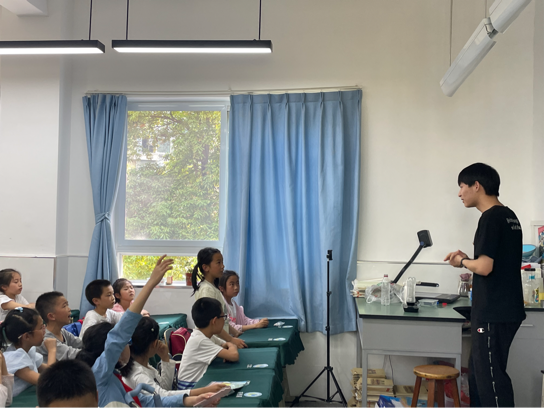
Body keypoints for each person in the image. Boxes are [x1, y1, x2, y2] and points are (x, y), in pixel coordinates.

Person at [76, 255, 220, 408]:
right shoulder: (101, 374)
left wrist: (194, 399)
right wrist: (151, 283)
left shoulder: (115, 376)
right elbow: (121, 331)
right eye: (125, 342)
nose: (128, 344)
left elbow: (148, 401)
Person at [444, 163, 525, 408]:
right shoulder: (509, 216)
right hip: (504, 309)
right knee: (479, 379)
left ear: (476, 186)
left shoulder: (490, 218)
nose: (459, 193)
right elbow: (493, 262)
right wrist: (470, 259)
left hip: (493, 313)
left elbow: (485, 267)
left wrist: (461, 261)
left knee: (491, 383)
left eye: (462, 186)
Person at [121, 317, 225, 397]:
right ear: (155, 343)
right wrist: (204, 390)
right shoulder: (138, 375)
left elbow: (165, 388)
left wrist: (165, 359)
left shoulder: (143, 365)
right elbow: (163, 396)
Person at [177, 298, 239, 390]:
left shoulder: (204, 334)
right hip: (190, 389)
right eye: (223, 317)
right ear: (214, 321)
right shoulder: (200, 340)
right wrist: (232, 345)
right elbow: (234, 355)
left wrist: (228, 346)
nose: (224, 320)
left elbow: (224, 345)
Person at [192, 248, 247, 349]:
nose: (223, 266)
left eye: (222, 262)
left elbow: (222, 320)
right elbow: (212, 324)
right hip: (212, 345)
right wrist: (231, 340)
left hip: (220, 342)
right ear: (205, 267)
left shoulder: (213, 287)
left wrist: (235, 333)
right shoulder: (207, 290)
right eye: (218, 263)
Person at [0, 308, 57, 396]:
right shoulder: (14, 358)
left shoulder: (28, 351)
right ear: (26, 336)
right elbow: (48, 381)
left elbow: (49, 371)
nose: (44, 329)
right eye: (41, 327)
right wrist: (52, 350)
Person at [35, 291, 83, 361]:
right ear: (51, 316)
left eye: (67, 305)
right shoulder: (46, 339)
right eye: (64, 306)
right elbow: (74, 355)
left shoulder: (63, 332)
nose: (69, 309)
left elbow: (81, 344)